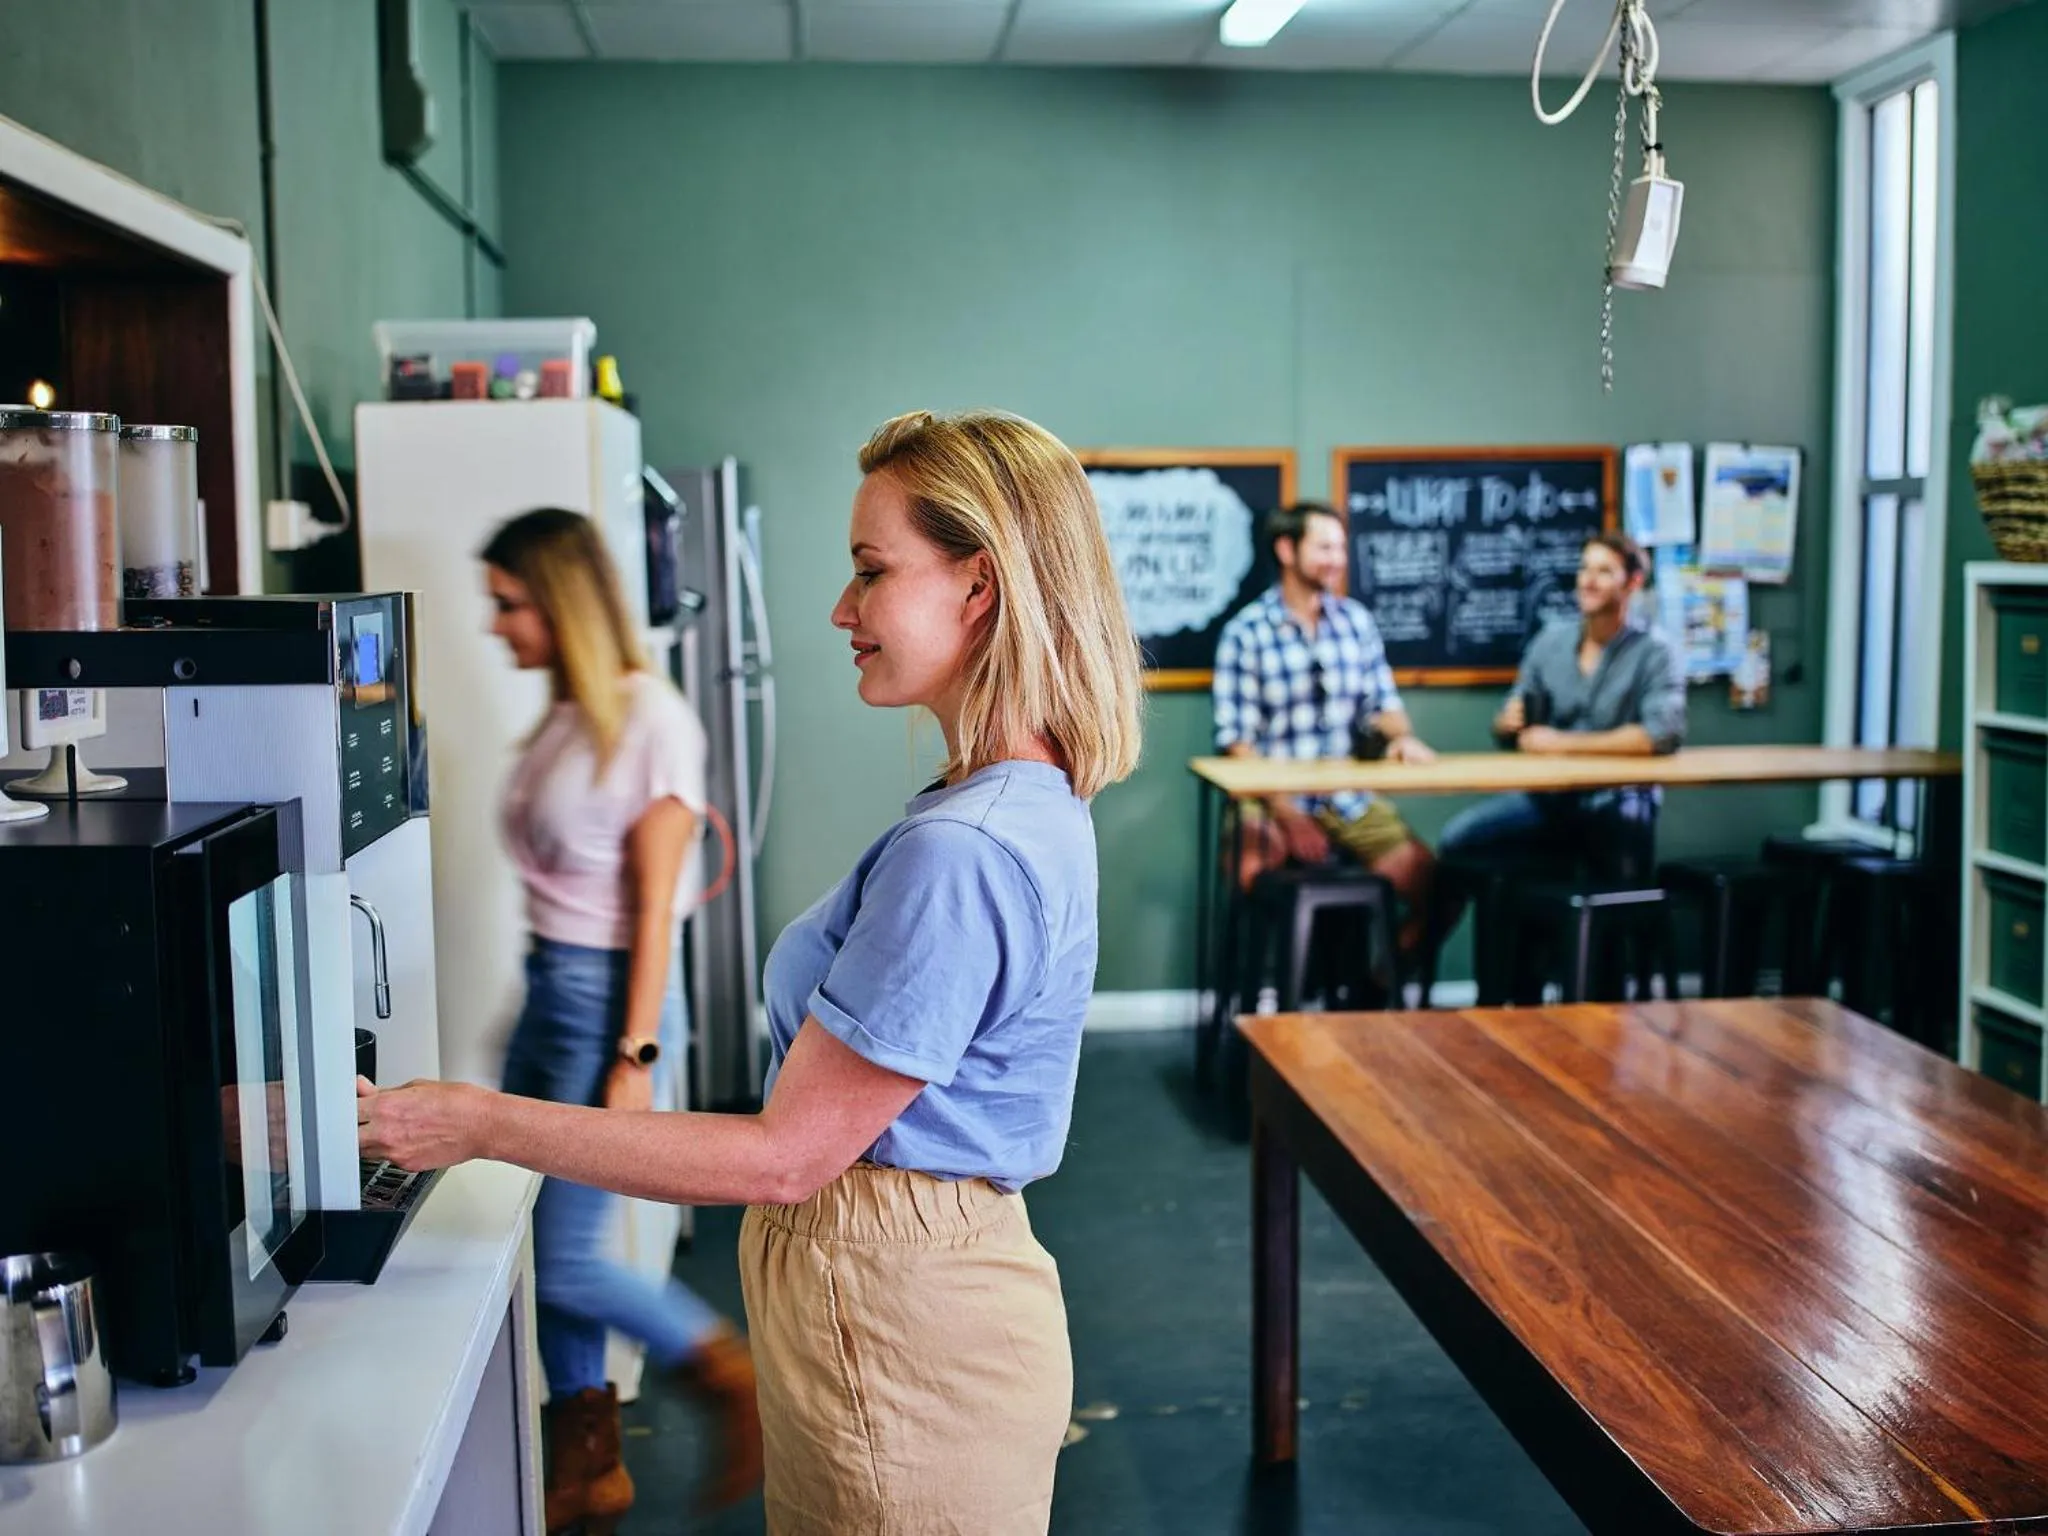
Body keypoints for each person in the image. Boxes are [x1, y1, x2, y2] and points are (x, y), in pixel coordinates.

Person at [360, 409, 1145, 1535]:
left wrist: (479, 1123)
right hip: (901, 1312)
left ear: (979, 589)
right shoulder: (1010, 805)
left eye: (871, 572)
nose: (841, 609)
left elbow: (784, 1158)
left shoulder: (959, 852)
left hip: (902, 1330)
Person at [475, 508, 761, 1532]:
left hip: (607, 1006)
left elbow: (655, 913)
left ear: (561, 601)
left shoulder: (652, 720)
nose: (495, 624)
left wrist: (634, 1055)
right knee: (548, 1238)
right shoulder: (569, 714)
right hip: (557, 992)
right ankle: (588, 1463)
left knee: (566, 1255)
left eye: (509, 603)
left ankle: (719, 1369)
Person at [1431, 531, 1687, 996]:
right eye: (1585, 569)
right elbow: (1515, 723)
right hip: (1548, 801)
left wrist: (1564, 743)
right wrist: (1507, 724)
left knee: (1611, 871)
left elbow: (1660, 734)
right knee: (1458, 842)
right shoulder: (1551, 642)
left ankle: (1601, 996)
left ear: (1631, 584)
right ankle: (1505, 986)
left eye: (1603, 571)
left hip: (1618, 802)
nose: (1588, 581)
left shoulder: (1655, 651)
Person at [1212, 500, 1438, 955]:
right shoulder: (1246, 632)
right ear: (1286, 550)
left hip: (1345, 795)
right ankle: (1259, 1004)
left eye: (1340, 547)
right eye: (1324, 547)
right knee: (1249, 864)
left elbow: (1384, 705)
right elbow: (1237, 741)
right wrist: (1288, 813)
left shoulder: (1356, 622)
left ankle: (1374, 991)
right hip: (1271, 797)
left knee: (1429, 880)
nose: (1335, 558)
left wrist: (1402, 737)